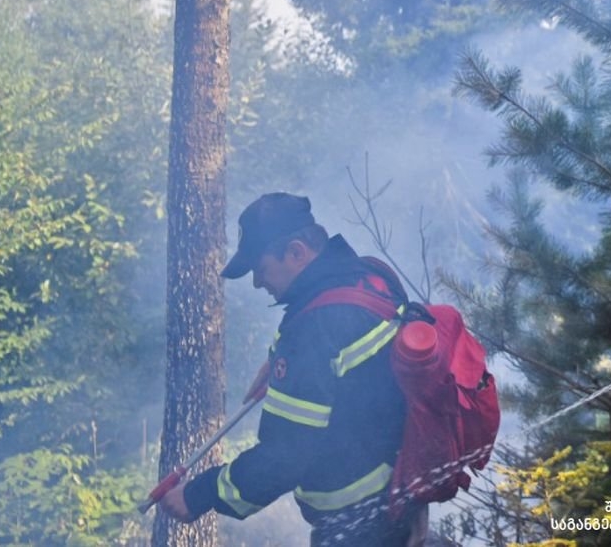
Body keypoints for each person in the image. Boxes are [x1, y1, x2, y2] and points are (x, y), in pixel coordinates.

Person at [159, 193, 425, 546]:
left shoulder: (314, 327)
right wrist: (281, 363)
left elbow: (285, 456)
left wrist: (199, 494)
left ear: (296, 252)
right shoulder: (364, 278)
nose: (257, 282)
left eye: (260, 268)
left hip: (360, 520)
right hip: (402, 499)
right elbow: (352, 364)